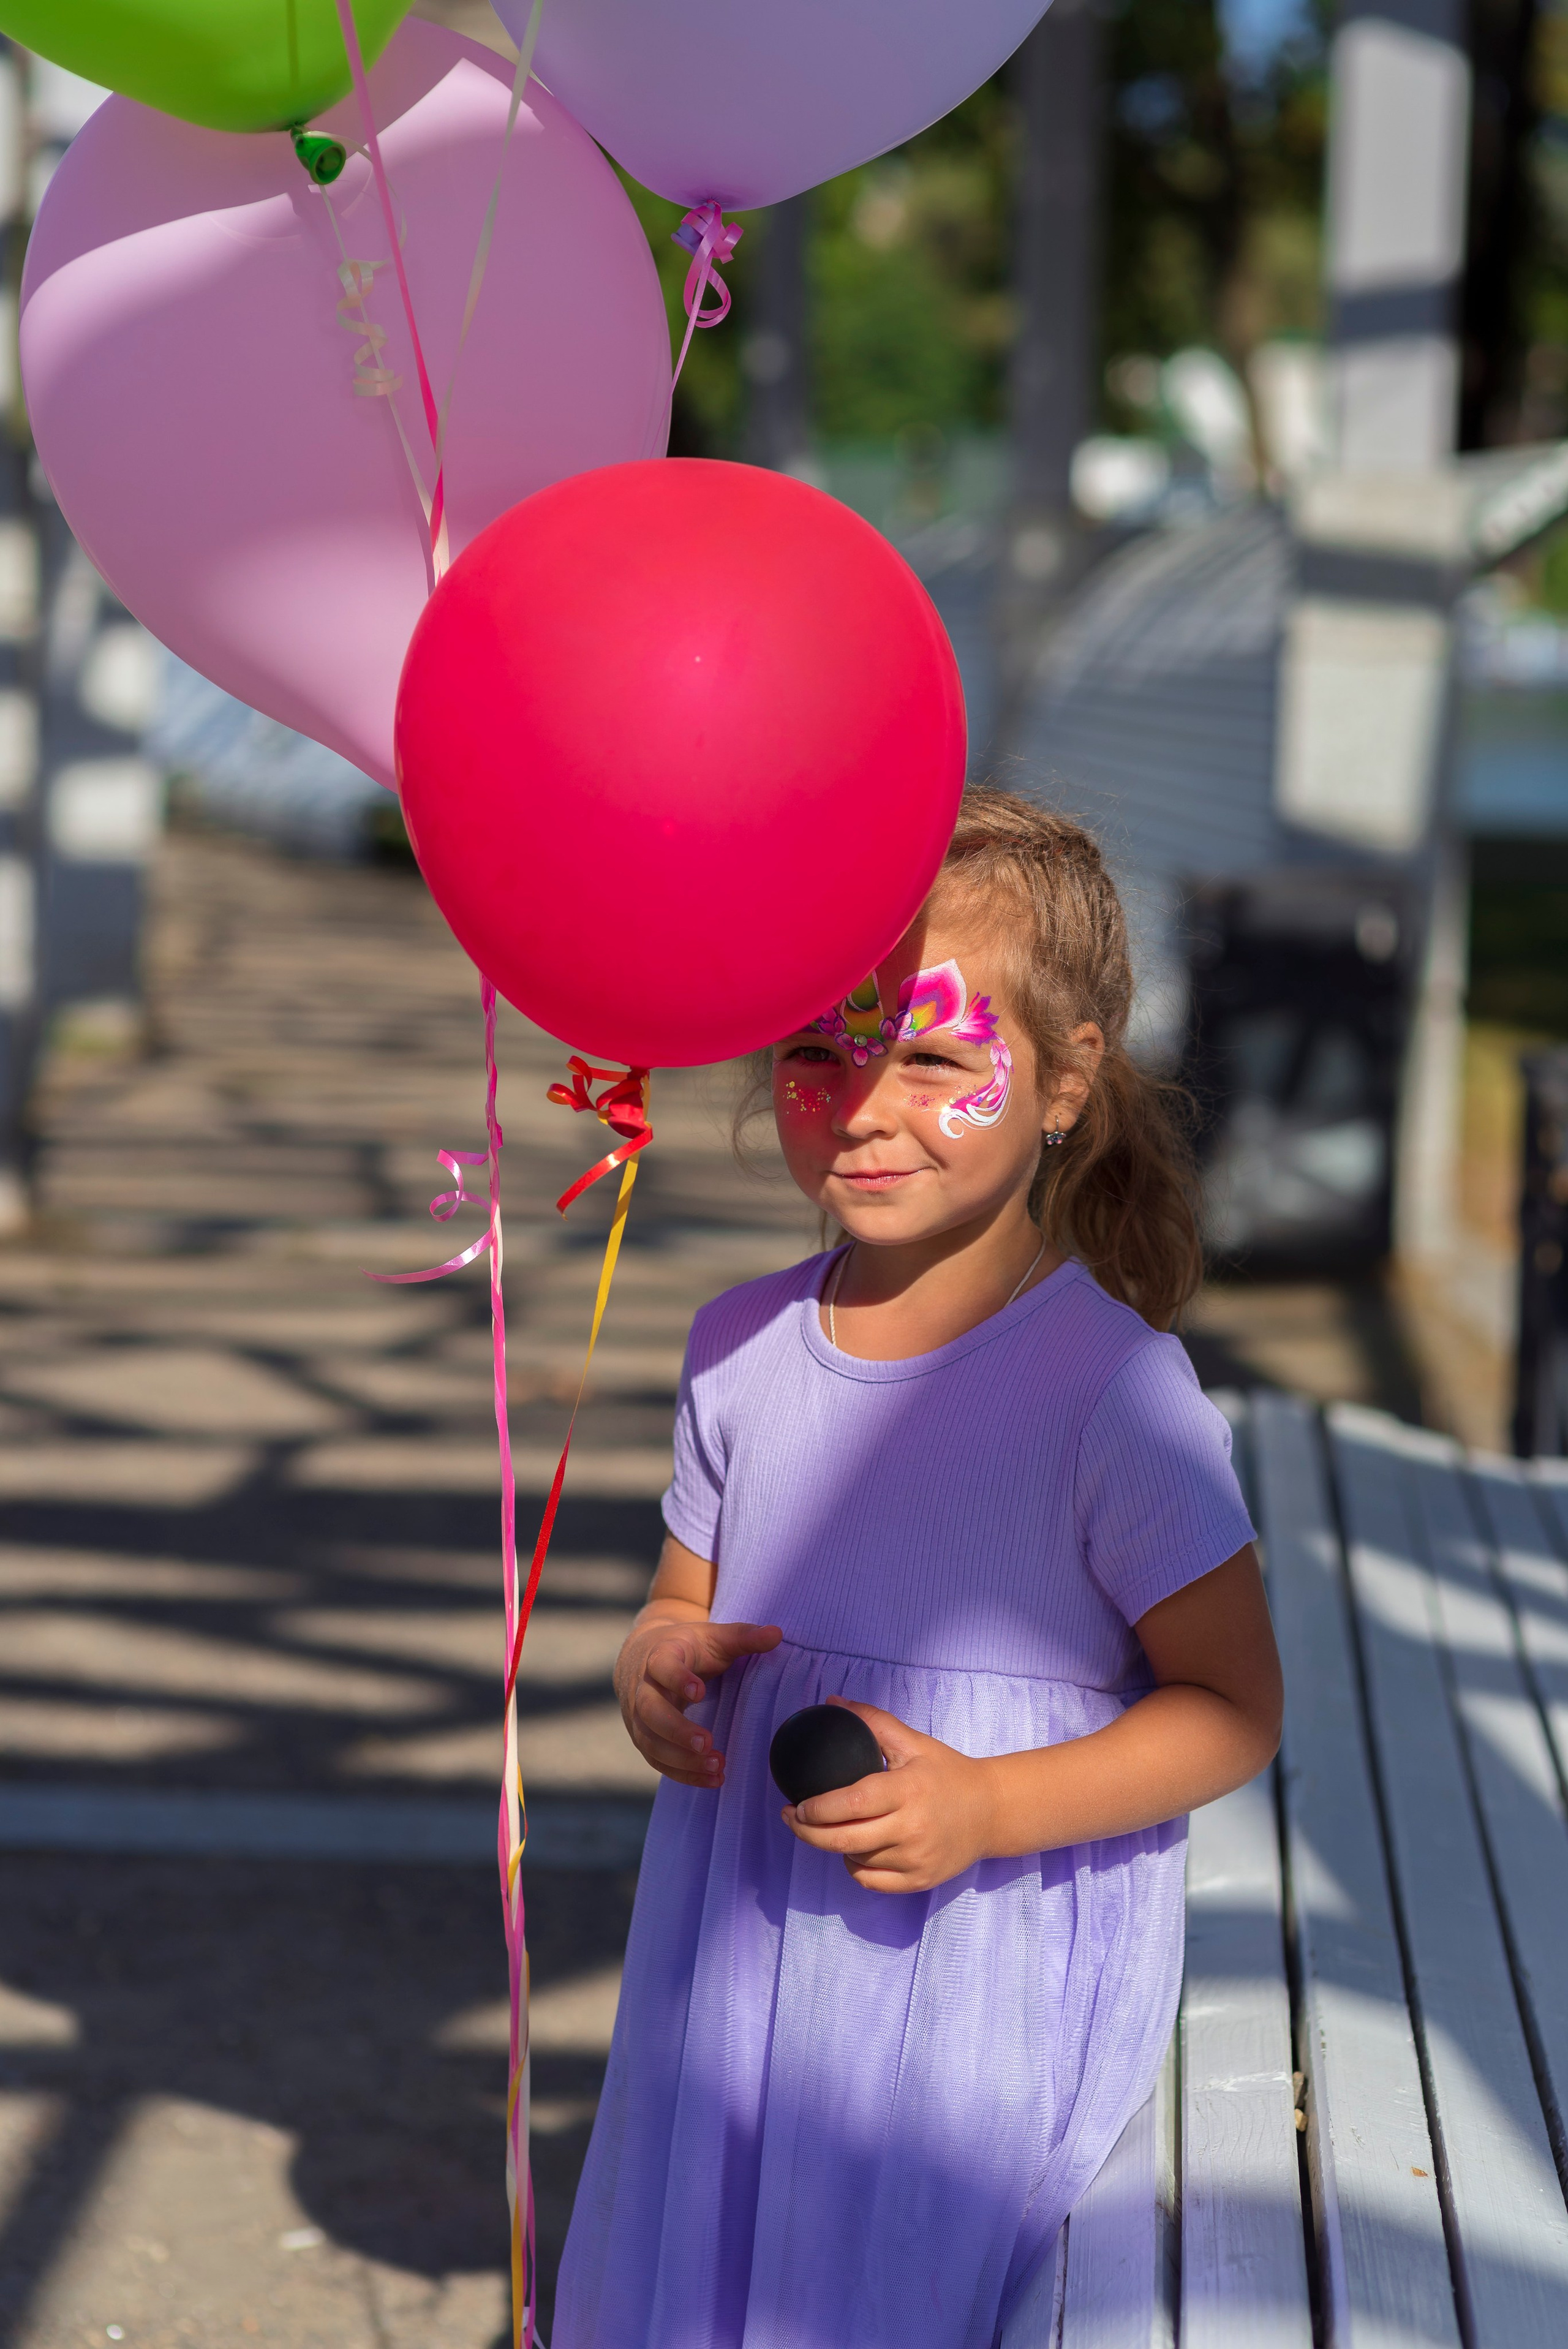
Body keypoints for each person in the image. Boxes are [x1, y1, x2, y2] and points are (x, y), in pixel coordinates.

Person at [551, 785, 1282, 2348]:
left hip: (973, 1983)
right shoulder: (736, 1346)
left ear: (1067, 1080)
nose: (863, 1104)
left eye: (936, 1055)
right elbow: (687, 1599)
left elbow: (1229, 1708)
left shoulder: (1109, 1391)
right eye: (817, 1049)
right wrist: (652, 1663)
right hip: (745, 1953)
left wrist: (988, 1805)